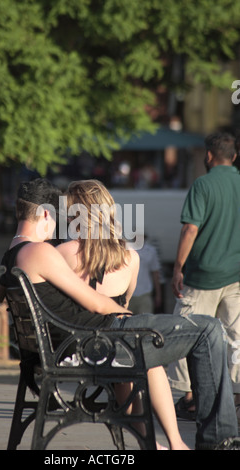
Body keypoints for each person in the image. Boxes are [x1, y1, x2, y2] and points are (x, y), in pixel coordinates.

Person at [0, 177, 239, 450]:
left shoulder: (26, 253)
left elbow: (9, 276)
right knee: (209, 329)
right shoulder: (42, 252)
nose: (61, 223)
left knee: (198, 332)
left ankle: (177, 441)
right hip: (102, 338)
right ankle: (213, 440)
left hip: (93, 339)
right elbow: (97, 304)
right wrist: (127, 316)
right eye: (58, 216)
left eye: (68, 215)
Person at [57, 179, 188, 450]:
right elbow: (123, 308)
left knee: (134, 356)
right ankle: (174, 442)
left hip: (77, 348)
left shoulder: (63, 254)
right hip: (117, 347)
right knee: (145, 356)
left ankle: (152, 442)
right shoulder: (132, 258)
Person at [168, 131, 240, 422]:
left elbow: (190, 229)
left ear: (208, 156)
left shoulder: (203, 184)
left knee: (183, 332)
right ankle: (236, 395)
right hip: (236, 276)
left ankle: (190, 397)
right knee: (237, 337)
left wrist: (177, 267)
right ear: (234, 156)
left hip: (202, 276)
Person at [129, 236, 162, 315]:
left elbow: (155, 273)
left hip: (145, 293)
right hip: (128, 294)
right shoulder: (126, 249)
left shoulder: (151, 250)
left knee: (144, 324)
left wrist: (158, 294)